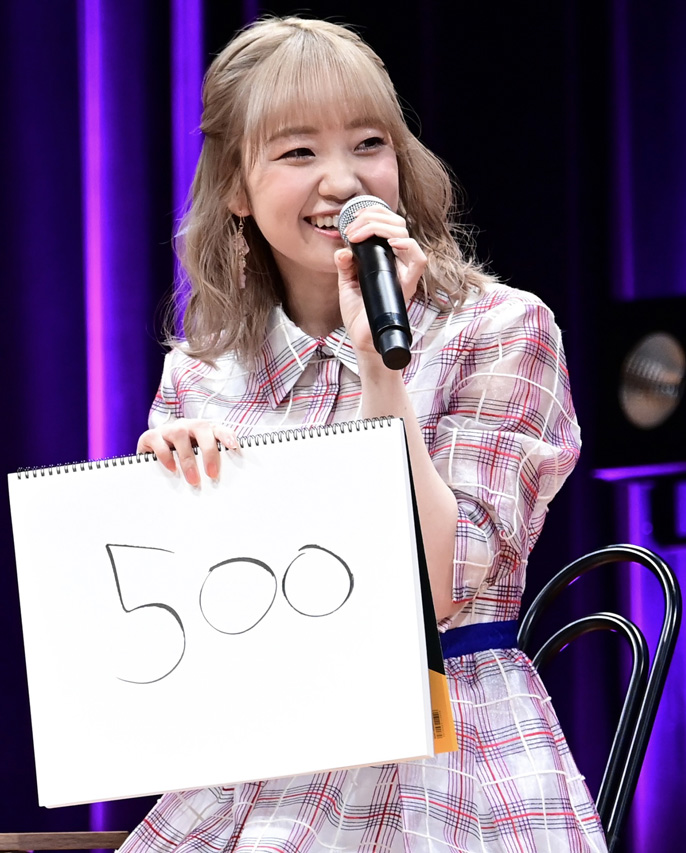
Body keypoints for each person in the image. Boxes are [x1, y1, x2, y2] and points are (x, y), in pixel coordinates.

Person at [126, 16, 605, 853]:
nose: (343, 181)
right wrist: (165, 499)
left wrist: (381, 368)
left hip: (444, 748)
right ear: (236, 187)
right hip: (268, 755)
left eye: (368, 144)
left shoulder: (501, 330)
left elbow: (436, 586)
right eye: (298, 151)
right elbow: (182, 648)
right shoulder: (203, 373)